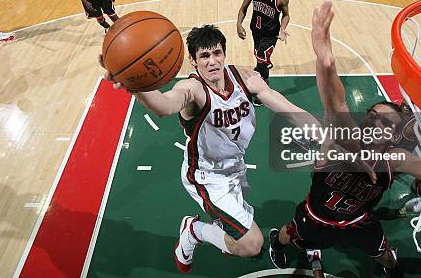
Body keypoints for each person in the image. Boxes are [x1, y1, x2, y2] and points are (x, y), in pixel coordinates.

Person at [100, 24, 328, 273]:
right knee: (252, 244)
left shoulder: (244, 78)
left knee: (234, 227)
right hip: (206, 176)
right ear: (192, 60)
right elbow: (165, 106)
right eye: (204, 56)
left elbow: (287, 107)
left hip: (234, 168)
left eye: (216, 53)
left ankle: (218, 228)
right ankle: (194, 231)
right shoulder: (193, 89)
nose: (212, 61)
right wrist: (136, 85)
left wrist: (322, 133)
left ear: (224, 53)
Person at [268, 2, 421, 278]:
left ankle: (390, 266)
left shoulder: (395, 159)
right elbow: (336, 102)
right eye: (372, 115)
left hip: (357, 220)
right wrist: (325, 59)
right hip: (317, 217)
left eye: (386, 122)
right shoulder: (340, 140)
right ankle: (275, 242)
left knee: (386, 257)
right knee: (286, 235)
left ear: (393, 136)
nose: (375, 122)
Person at [236, 0, 290, 106]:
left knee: (261, 58)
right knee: (258, 55)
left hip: (271, 34)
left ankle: (263, 92)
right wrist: (238, 24)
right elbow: (243, 8)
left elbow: (286, 16)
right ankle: (264, 62)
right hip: (256, 30)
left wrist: (282, 29)